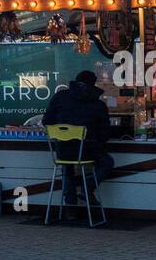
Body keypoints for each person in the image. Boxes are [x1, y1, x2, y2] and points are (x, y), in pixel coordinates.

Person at [42, 69, 114, 205]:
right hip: (87, 151)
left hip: (62, 150)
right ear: (93, 85)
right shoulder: (98, 105)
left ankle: (70, 207)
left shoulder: (60, 97)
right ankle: (87, 188)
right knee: (107, 162)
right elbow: (105, 133)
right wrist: (97, 141)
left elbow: (47, 122)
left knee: (67, 167)